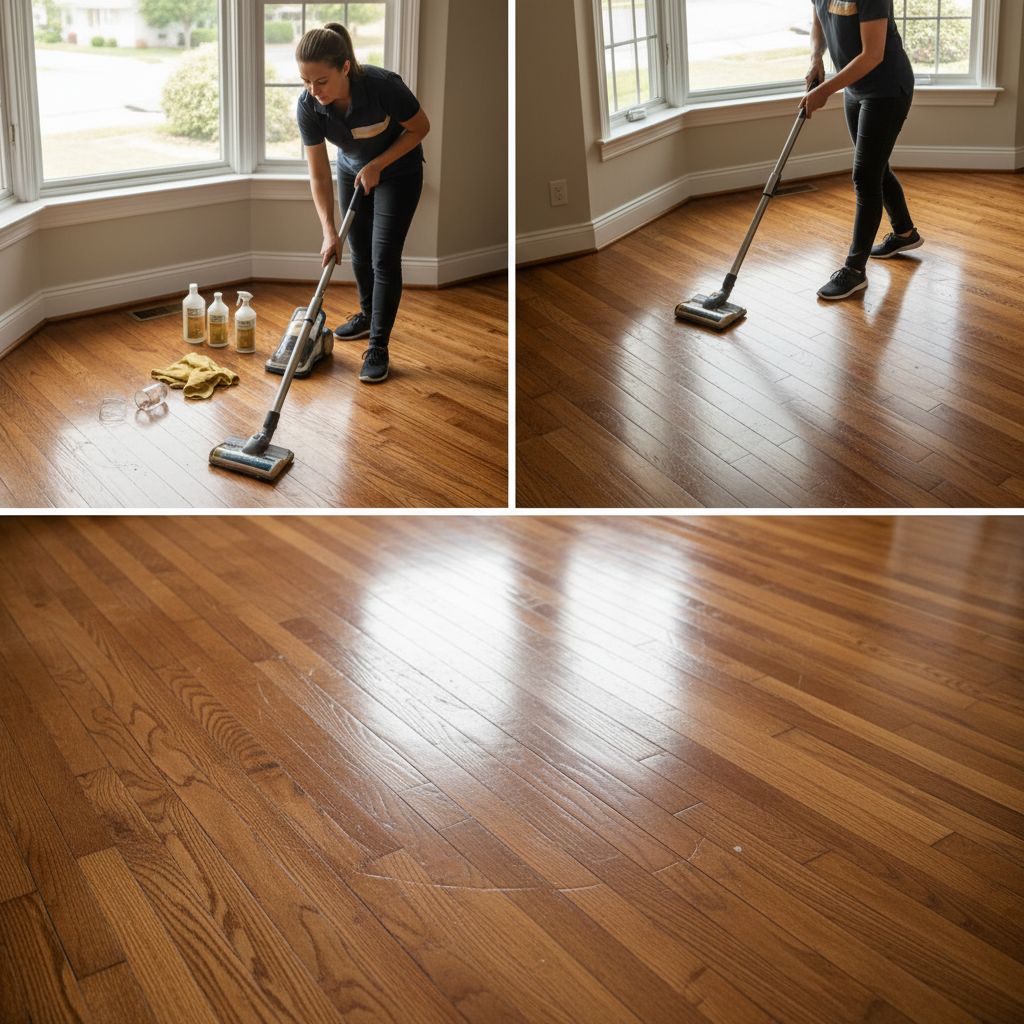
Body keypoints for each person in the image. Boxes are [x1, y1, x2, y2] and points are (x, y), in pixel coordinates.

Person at [295, 23, 429, 382]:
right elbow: (318, 174)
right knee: (358, 248)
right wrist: (329, 231)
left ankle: (378, 345)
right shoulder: (308, 106)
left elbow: (421, 128)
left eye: (321, 81)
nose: (314, 91)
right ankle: (368, 315)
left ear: (345, 68)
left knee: (384, 256)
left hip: (398, 171)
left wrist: (378, 165)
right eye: (306, 81)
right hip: (352, 170)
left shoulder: (383, 86)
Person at [802, 1, 922, 301]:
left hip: (886, 88)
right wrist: (816, 58)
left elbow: (873, 54)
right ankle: (905, 233)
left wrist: (825, 90)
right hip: (855, 89)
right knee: (875, 167)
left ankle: (854, 270)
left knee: (865, 177)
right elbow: (818, 21)